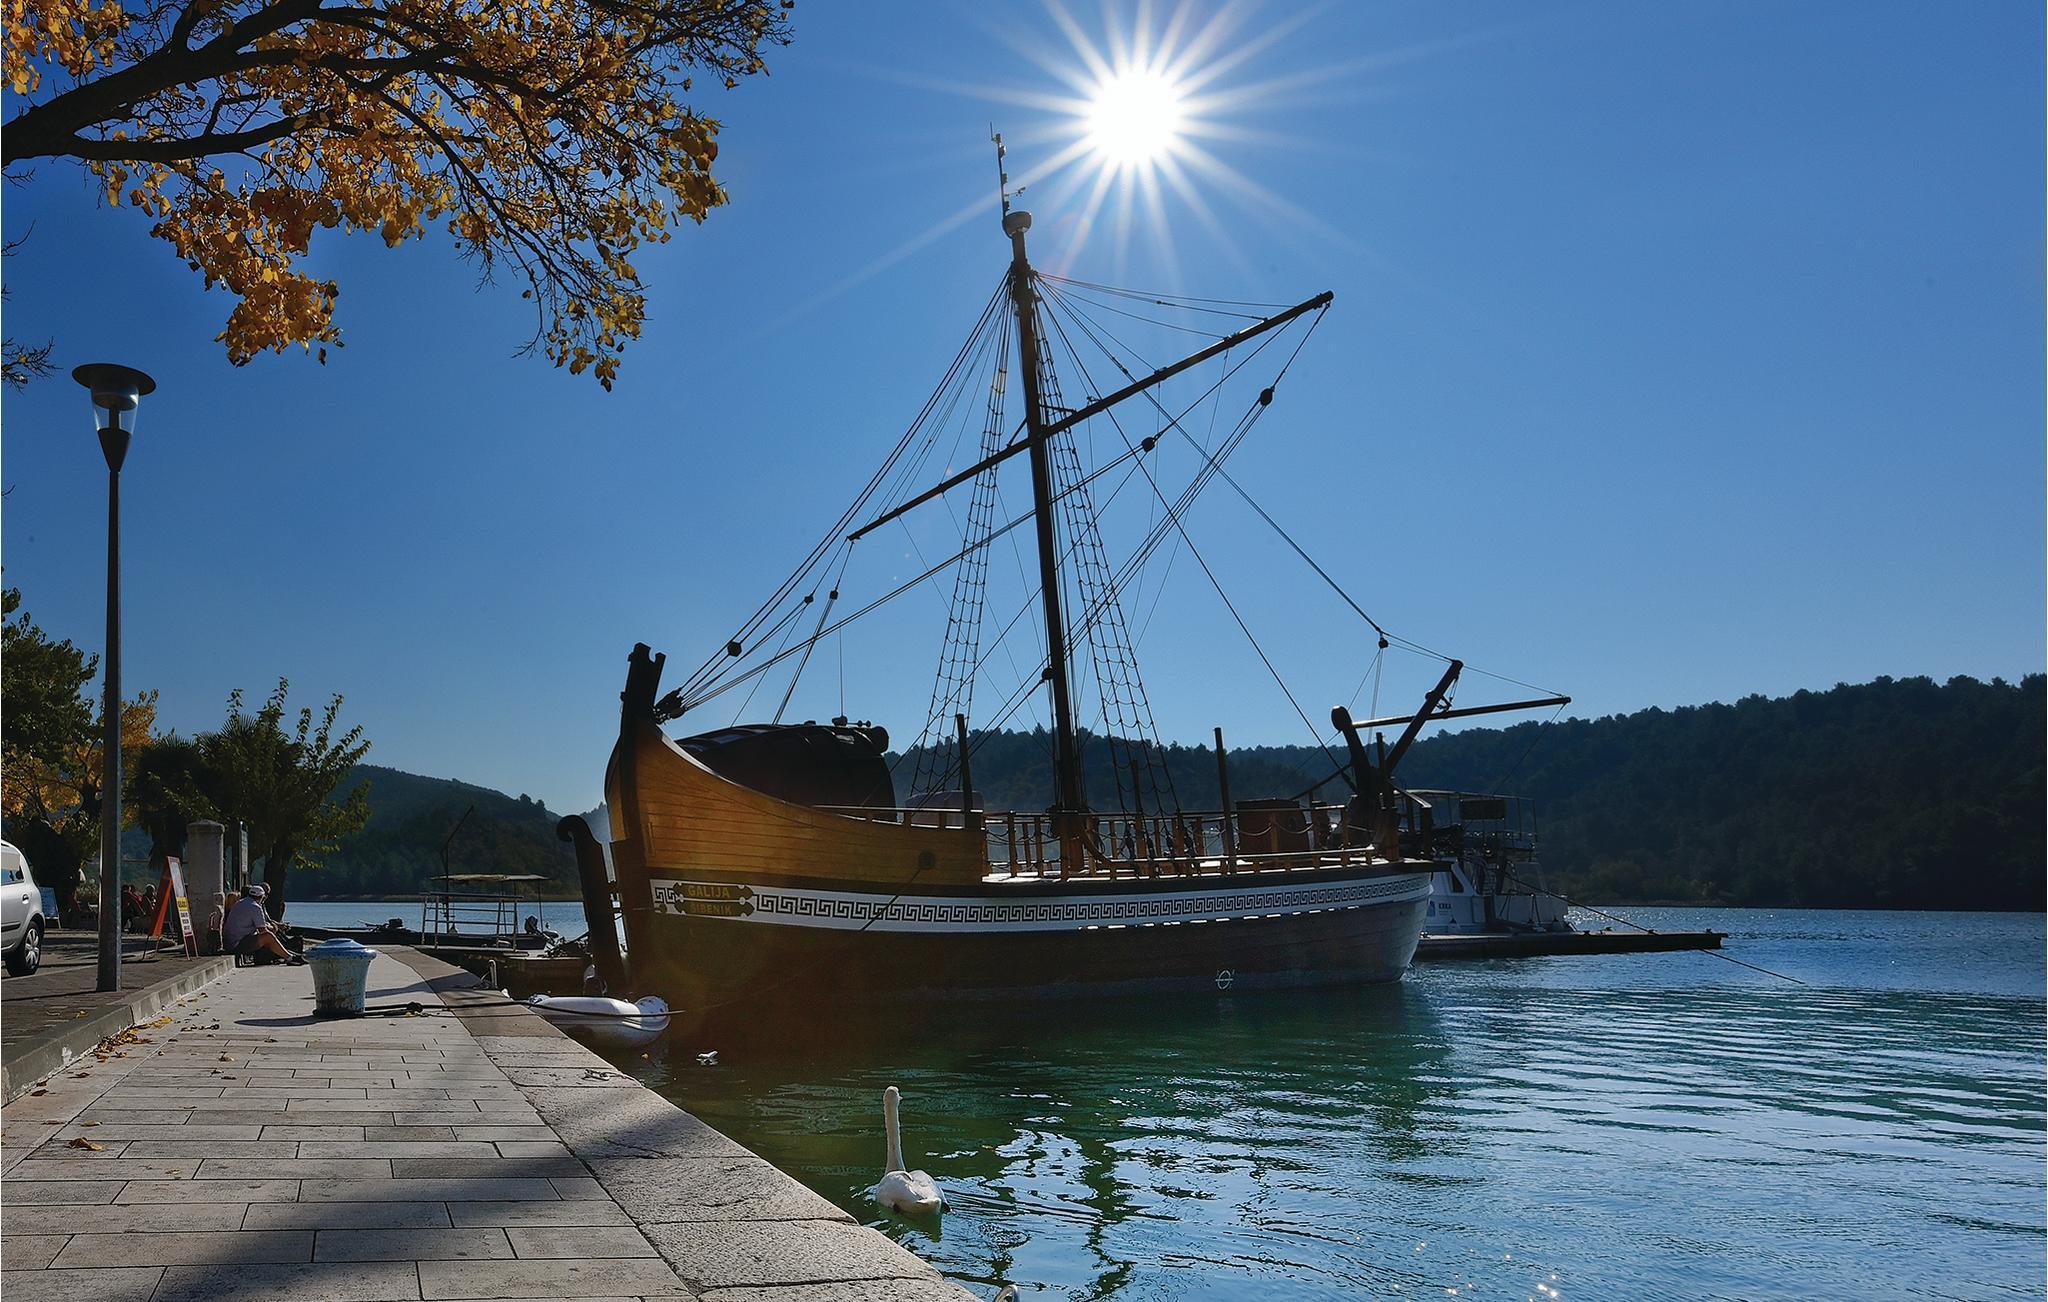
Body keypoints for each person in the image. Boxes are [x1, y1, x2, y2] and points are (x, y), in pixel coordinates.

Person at [222, 884, 300, 964]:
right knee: (268, 936)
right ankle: (289, 957)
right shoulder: (255, 907)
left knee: (267, 937)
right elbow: (263, 930)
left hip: (229, 942)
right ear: (261, 897)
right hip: (237, 944)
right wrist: (273, 929)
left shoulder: (239, 903)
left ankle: (286, 954)